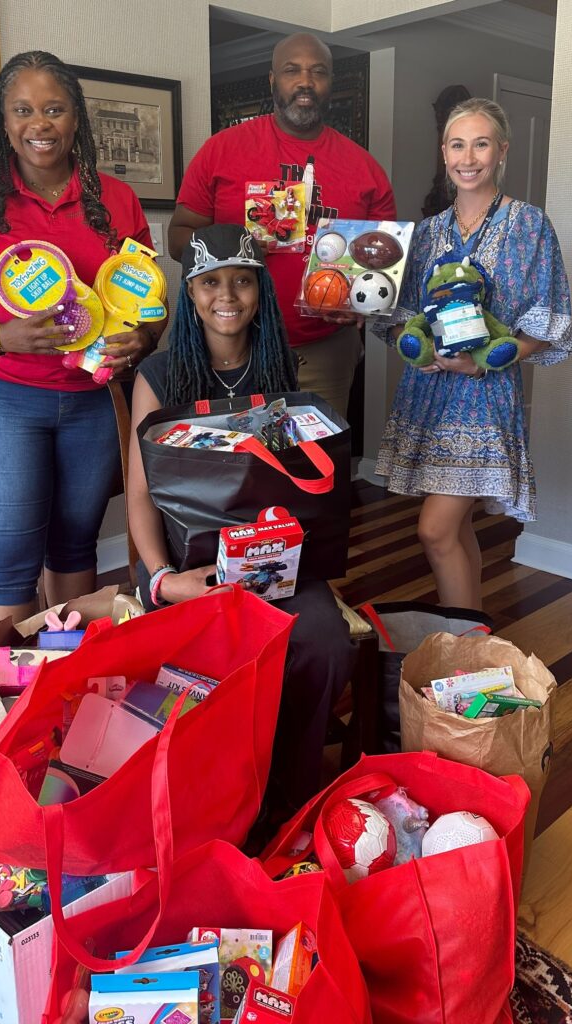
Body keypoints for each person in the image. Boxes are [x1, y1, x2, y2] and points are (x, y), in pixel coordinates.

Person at [0, 51, 165, 807]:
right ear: (4, 122)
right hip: (1, 402)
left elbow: (143, 305)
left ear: (75, 115)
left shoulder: (114, 199)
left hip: (89, 406)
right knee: (7, 573)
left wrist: (137, 343)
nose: (39, 124)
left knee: (73, 559)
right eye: (22, 110)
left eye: (52, 108)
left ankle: (62, 724)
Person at [129, 222, 357, 813]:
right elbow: (139, 497)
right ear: (191, 291)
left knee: (327, 645)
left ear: (260, 291)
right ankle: (226, 795)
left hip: (271, 558)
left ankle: (291, 790)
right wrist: (162, 580)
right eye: (209, 282)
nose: (225, 295)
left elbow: (298, 485)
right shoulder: (158, 376)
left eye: (241, 281)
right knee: (226, 665)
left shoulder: (281, 367)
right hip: (187, 563)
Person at [374, 98, 572, 609]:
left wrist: (481, 360)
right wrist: (410, 347)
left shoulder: (529, 226)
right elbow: (400, 319)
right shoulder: (425, 233)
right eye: (458, 144)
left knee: (434, 530)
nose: (469, 157)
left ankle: (460, 646)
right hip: (428, 397)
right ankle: (470, 636)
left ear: (501, 151)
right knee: (455, 530)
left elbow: (549, 326)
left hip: (484, 401)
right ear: (444, 153)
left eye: (481, 143)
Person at [168, 32, 396, 418]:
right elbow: (179, 237)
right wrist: (232, 251)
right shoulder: (222, 150)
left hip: (324, 348)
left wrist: (363, 306)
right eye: (292, 71)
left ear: (330, 83)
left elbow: (382, 262)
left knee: (316, 462)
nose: (305, 82)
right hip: (235, 343)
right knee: (236, 460)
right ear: (273, 79)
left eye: (317, 72)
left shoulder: (365, 168)